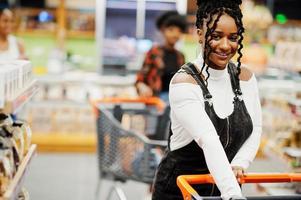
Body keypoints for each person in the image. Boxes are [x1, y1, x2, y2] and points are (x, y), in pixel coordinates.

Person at [152, 0, 262, 199]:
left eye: (233, 37)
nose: (225, 45)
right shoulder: (184, 83)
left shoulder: (246, 78)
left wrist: (240, 163)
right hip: (180, 191)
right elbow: (209, 140)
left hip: (223, 188)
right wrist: (233, 194)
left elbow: (256, 127)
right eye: (216, 36)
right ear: (200, 34)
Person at [135, 11, 187, 103]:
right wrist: (142, 86)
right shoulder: (153, 53)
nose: (175, 34)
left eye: (179, 31)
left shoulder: (180, 56)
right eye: (171, 30)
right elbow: (140, 79)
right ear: (163, 30)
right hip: (156, 100)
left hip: (175, 101)